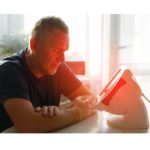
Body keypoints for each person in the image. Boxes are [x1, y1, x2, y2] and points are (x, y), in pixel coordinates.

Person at [0, 16, 97, 133]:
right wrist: (77, 112)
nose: (62, 59)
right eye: (56, 50)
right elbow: (28, 124)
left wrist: (59, 110)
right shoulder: (9, 70)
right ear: (34, 44)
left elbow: (89, 99)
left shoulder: (58, 67)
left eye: (64, 52)